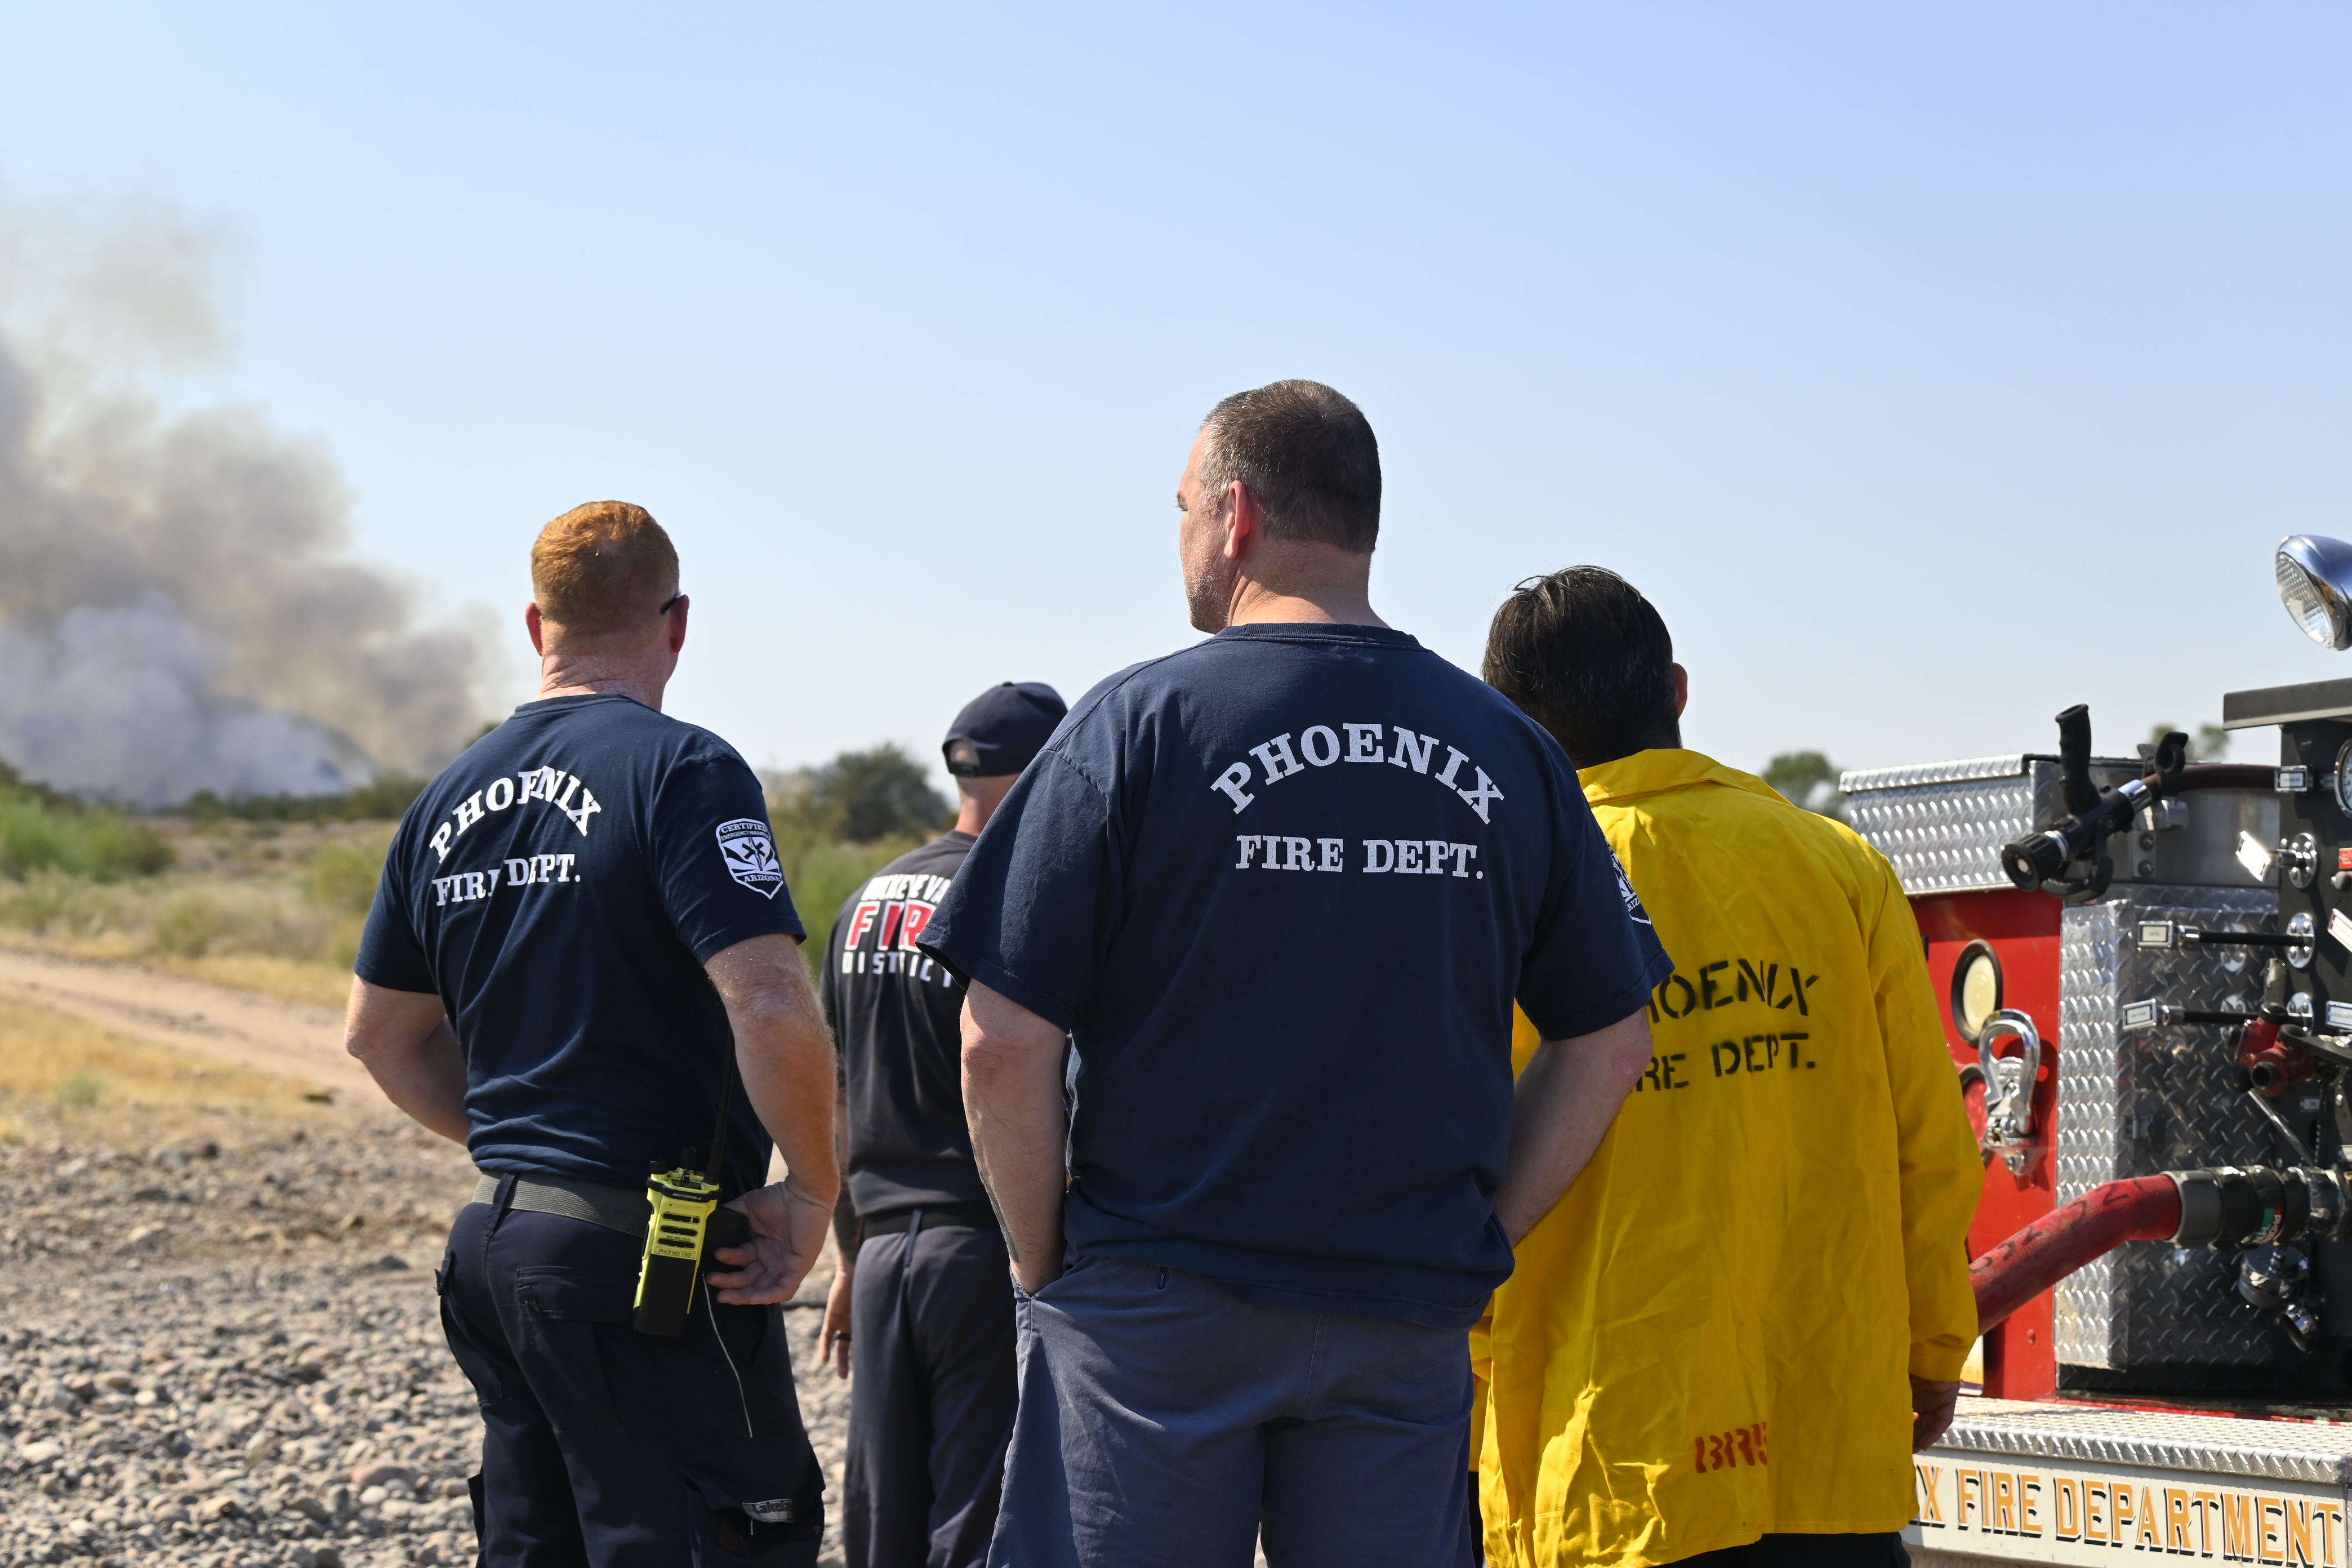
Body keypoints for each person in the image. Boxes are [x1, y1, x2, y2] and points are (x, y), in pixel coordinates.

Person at [916, 380, 1673, 1568]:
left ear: (1237, 516)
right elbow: (1613, 1039)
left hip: (1158, 1308)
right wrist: (1480, 1237)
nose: (1181, 535)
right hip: (1401, 1315)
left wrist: (1040, 1260)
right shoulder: (1509, 749)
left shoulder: (1135, 726)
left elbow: (1000, 1038)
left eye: (1181, 509)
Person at [344, 501, 840, 1566]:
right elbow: (767, 999)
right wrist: (812, 1190)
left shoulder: (444, 800)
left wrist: (530, 1155)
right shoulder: (683, 770)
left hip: (497, 1251)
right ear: (678, 623)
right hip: (643, 1262)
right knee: (731, 1530)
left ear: (537, 626)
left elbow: (380, 1037)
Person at [1474, 565, 1980, 1568]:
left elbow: (1465, 1161)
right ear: (1676, 692)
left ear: (1506, 726)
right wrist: (1933, 1348)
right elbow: (1927, 1145)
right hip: (1824, 1449)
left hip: (1611, 1470)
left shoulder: (1509, 883)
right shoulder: (1837, 867)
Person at [818, 679, 1068, 1568]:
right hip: (984, 1252)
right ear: (1047, 774)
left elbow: (837, 1095)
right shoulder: (1015, 898)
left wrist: (850, 1254)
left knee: (883, 1517)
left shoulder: (864, 903)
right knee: (978, 1514)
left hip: (883, 1253)